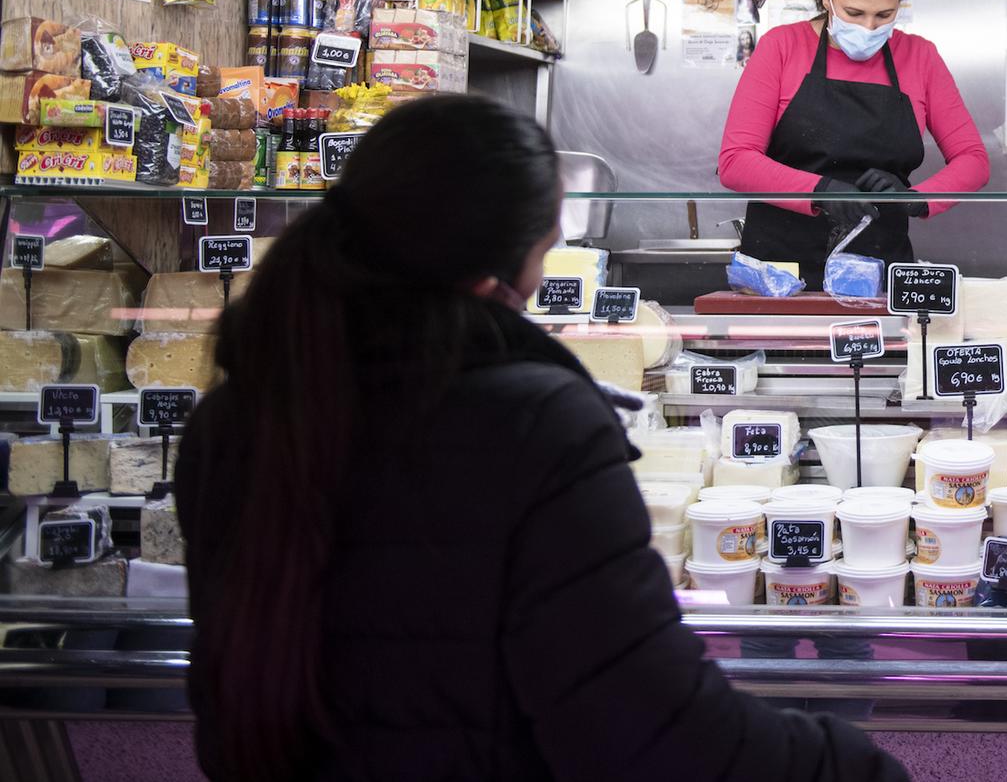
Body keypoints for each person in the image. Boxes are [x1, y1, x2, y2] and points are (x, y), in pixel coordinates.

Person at [176, 95, 906, 782]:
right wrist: (847, 763)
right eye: (550, 243)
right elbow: (645, 730)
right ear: (512, 262)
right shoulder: (537, 424)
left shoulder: (233, 419)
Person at [720, 0, 988, 287]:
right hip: (781, 274)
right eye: (855, 12)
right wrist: (821, 190)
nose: (869, 27)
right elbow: (736, 161)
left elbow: (973, 159)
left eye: (884, 15)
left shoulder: (919, 56)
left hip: (878, 274)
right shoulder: (781, 48)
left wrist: (916, 200)